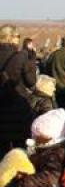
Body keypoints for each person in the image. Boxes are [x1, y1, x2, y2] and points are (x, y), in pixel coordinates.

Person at [0, 25, 37, 157]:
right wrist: (32, 59)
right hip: (18, 109)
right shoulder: (20, 56)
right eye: (17, 36)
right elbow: (31, 81)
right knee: (20, 151)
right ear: (11, 37)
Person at [44, 36, 65, 109]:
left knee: (59, 109)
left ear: (62, 43)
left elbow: (47, 68)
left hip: (56, 87)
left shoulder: (54, 54)